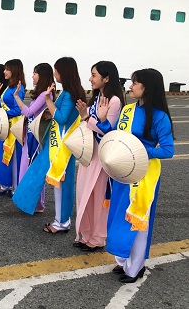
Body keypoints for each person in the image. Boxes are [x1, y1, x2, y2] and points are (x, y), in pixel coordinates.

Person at [96, 68, 174, 283]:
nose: (130, 86)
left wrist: (140, 150)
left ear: (146, 87)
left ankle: (135, 267)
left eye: (135, 83)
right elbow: (116, 136)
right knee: (119, 216)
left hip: (144, 175)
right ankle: (123, 261)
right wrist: (102, 122)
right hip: (123, 172)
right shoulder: (128, 110)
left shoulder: (159, 116)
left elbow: (168, 151)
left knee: (138, 221)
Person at [14, 57, 86, 234]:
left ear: (64, 72)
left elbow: (61, 118)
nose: (54, 74)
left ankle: (61, 222)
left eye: (56, 70)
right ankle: (61, 220)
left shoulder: (69, 94)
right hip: (60, 144)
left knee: (60, 183)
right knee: (60, 182)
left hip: (60, 146)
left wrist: (48, 101)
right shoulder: (70, 91)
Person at [74, 61, 124, 252]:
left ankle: (97, 238)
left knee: (98, 197)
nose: (90, 79)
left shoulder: (114, 101)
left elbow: (108, 132)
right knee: (84, 194)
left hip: (102, 156)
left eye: (94, 75)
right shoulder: (97, 98)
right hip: (89, 154)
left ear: (106, 78)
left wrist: (88, 117)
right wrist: (85, 116)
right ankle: (85, 233)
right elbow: (90, 124)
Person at [12, 63, 55, 212]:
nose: (32, 76)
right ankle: (33, 202)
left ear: (41, 76)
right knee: (30, 168)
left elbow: (29, 112)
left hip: (36, 137)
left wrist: (16, 97)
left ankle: (36, 203)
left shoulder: (44, 94)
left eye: (35, 73)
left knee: (32, 169)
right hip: (33, 134)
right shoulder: (43, 93)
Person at [0, 59, 26, 196]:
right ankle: (6, 184)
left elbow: (19, 109)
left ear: (14, 70)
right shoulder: (8, 86)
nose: (4, 71)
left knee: (13, 155)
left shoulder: (19, 88)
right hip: (5, 125)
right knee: (3, 154)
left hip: (13, 126)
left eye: (7, 69)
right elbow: (2, 105)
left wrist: (4, 113)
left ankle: (14, 186)